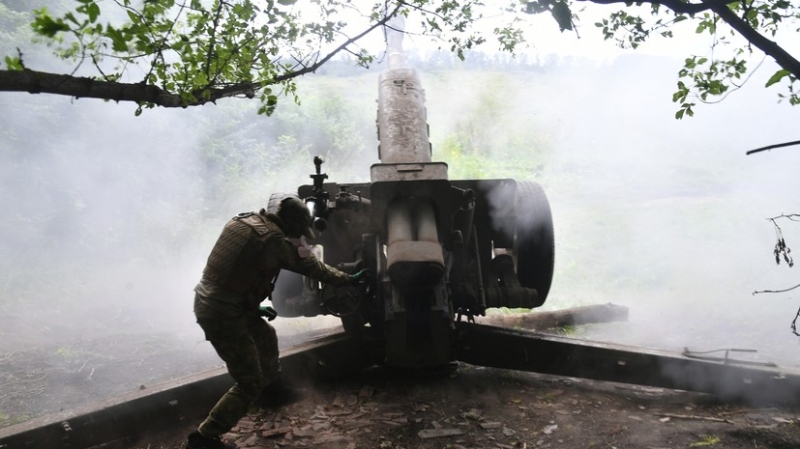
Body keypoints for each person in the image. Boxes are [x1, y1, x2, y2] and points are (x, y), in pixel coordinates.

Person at [185, 195, 367, 449]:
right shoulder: (275, 242)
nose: (297, 236)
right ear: (292, 225)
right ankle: (203, 438)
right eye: (298, 231)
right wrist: (350, 279)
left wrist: (250, 303)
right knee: (249, 383)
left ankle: (273, 391)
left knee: (265, 335)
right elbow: (315, 270)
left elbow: (233, 269)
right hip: (222, 314)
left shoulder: (244, 221)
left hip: (219, 302)